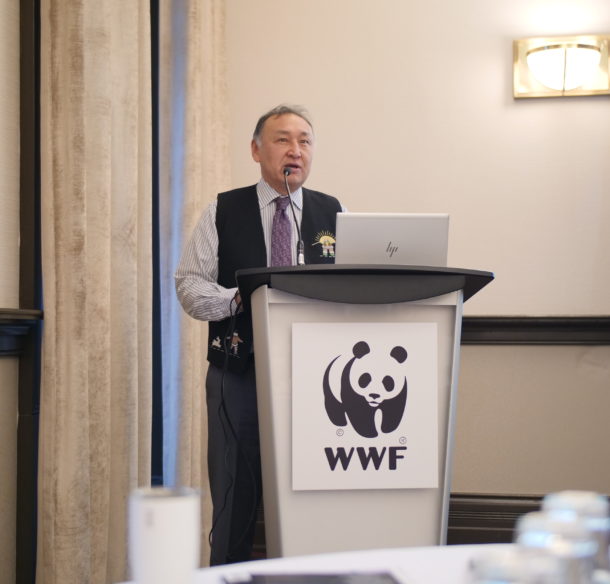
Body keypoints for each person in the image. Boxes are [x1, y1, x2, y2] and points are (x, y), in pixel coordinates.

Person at [175, 105, 344, 565]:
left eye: (305, 141)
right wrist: (239, 299)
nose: (295, 150)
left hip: (319, 381)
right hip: (239, 373)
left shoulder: (335, 213)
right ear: (256, 149)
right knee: (235, 503)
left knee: (313, 499)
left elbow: (353, 290)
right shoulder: (223, 209)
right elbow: (189, 285)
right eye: (282, 139)